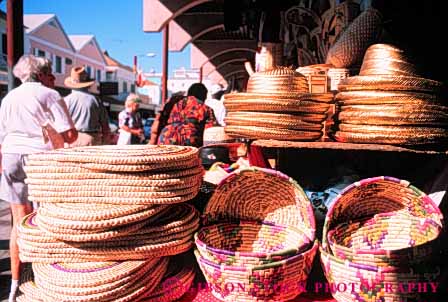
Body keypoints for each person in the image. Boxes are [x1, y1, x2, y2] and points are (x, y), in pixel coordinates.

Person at [0, 54, 77, 302]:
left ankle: (14, 287)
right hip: (39, 160)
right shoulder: (49, 94)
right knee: (43, 219)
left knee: (18, 222)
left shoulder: (9, 97)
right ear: (42, 74)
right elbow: (71, 135)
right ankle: (42, 282)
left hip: (11, 155)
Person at [157, 83, 216, 147]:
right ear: (203, 96)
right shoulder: (206, 109)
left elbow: (158, 123)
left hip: (165, 139)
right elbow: (211, 134)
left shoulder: (173, 101)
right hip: (189, 144)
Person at [64, 66, 111, 146]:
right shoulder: (95, 100)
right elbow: (105, 124)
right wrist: (105, 141)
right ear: (87, 84)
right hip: (91, 139)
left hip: (71, 139)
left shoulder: (66, 100)